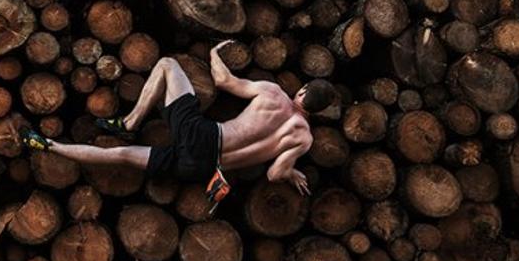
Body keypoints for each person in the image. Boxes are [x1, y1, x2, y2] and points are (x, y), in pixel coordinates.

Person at [20, 42, 334, 209]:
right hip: (202, 168)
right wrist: (291, 172)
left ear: (302, 91)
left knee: (168, 64)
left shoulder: (274, 93)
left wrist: (213, 53)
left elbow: (224, 81)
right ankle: (50, 146)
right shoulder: (303, 138)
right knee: (123, 156)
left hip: (204, 134)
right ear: (317, 112)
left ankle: (129, 120)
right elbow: (274, 174)